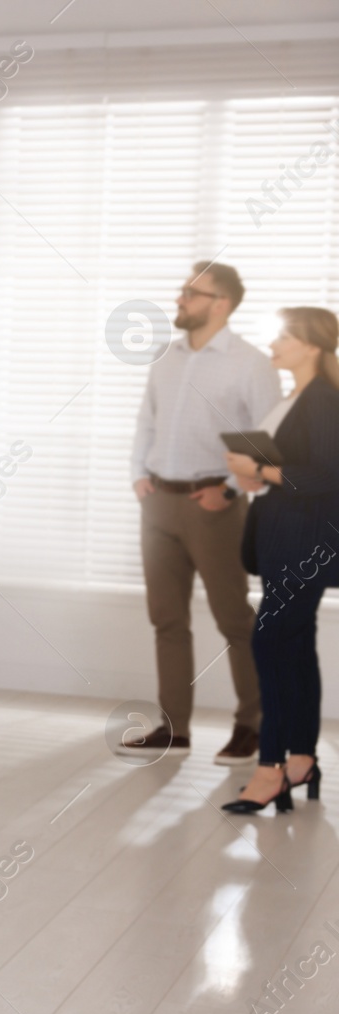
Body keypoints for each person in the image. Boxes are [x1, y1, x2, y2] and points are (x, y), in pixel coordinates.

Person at [123, 262, 281, 764]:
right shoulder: (166, 358)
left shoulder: (251, 363)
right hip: (159, 504)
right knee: (166, 619)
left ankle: (252, 726)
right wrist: (138, 475)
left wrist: (231, 491)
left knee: (234, 619)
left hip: (213, 506)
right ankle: (175, 728)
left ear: (221, 303)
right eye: (182, 291)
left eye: (192, 293)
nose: (180, 299)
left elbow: (269, 444)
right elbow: (146, 422)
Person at [221, 307, 339, 813]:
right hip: (279, 537)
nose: (273, 343)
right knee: (292, 646)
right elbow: (289, 466)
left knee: (268, 644)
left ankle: (270, 769)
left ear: (310, 345)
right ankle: (301, 760)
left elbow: (327, 476)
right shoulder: (293, 397)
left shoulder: (324, 401)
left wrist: (264, 471)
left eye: (282, 336)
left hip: (304, 545)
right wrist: (255, 475)